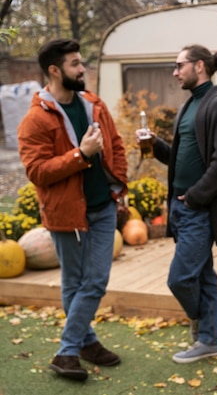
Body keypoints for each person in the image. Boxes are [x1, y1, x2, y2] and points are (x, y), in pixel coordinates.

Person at [17, 38, 128, 381]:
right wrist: (81, 155)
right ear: (55, 70)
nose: (83, 69)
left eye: (82, 63)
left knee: (94, 280)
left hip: (102, 207)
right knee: (73, 282)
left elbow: (117, 144)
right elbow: (37, 171)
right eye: (76, 64)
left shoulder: (94, 104)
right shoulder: (35, 120)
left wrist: (120, 184)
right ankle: (85, 343)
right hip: (64, 211)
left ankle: (68, 349)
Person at [137, 44, 217, 364]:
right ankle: (209, 339)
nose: (174, 71)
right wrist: (156, 145)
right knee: (203, 274)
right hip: (180, 208)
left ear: (198, 66)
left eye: (179, 65)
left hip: (198, 209)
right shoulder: (189, 105)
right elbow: (178, 160)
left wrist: (194, 197)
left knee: (180, 278)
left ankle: (203, 327)